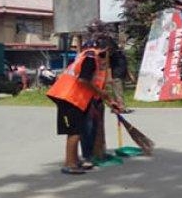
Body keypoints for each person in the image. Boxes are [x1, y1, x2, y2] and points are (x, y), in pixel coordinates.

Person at [46, 37, 118, 175]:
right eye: (109, 52)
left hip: (72, 97)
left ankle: (74, 160)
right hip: (69, 97)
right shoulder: (91, 58)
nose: (107, 58)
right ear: (106, 49)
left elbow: (92, 85)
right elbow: (83, 80)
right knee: (74, 131)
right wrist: (100, 92)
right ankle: (70, 164)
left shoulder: (87, 56)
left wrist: (108, 100)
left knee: (76, 130)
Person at [109, 45, 135, 113]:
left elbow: (126, 66)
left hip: (122, 75)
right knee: (118, 93)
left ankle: (115, 108)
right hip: (116, 76)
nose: (121, 47)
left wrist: (130, 75)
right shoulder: (113, 55)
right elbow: (109, 66)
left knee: (117, 92)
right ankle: (122, 108)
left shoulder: (122, 55)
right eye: (120, 46)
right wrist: (109, 77)